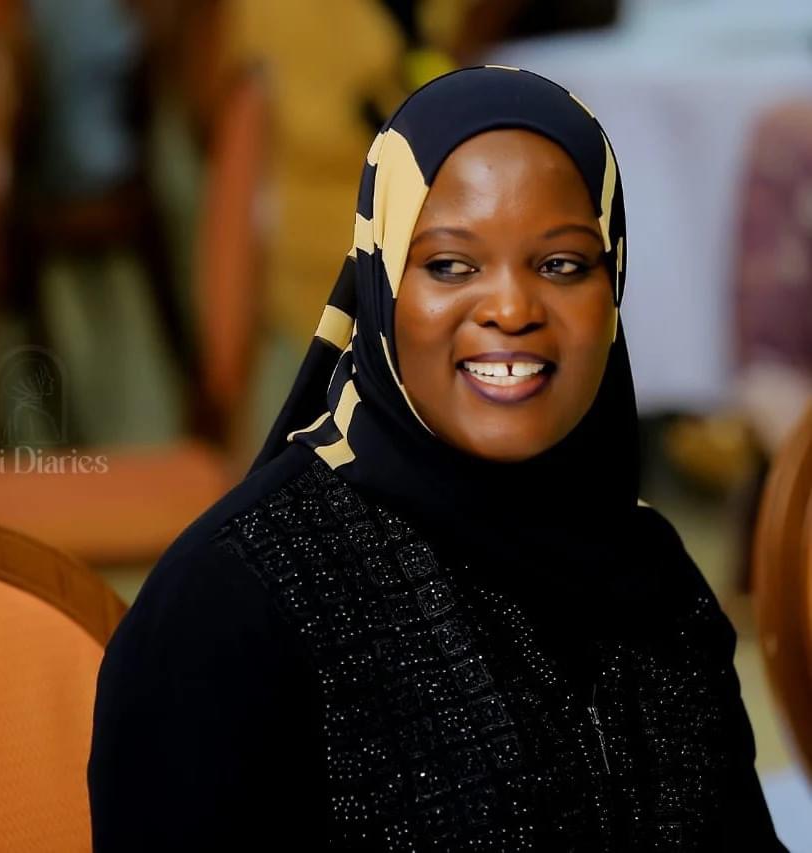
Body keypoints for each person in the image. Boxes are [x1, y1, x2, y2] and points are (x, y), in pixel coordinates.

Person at [88, 67, 786, 851]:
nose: (511, 309)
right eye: (451, 265)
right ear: (381, 283)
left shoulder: (653, 581)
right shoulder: (234, 603)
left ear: (612, 282)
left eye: (561, 264)